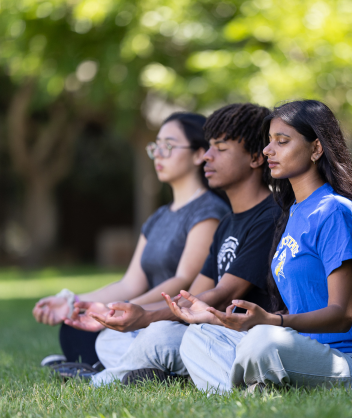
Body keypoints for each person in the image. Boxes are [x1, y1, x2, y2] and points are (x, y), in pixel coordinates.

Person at [176, 100, 352, 394]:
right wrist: (221, 318)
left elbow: (342, 313)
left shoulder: (333, 211)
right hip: (307, 350)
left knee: (263, 341)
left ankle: (245, 387)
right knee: (200, 336)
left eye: (281, 142)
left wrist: (273, 322)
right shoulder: (293, 213)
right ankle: (253, 390)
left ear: (316, 149)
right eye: (269, 142)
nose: (268, 150)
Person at [78, 102, 283, 386]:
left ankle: (102, 379)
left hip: (236, 337)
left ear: (255, 158)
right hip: (206, 331)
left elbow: (224, 294)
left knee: (158, 335)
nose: (207, 157)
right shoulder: (228, 223)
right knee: (116, 338)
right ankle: (165, 374)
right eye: (208, 147)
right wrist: (141, 315)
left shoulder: (270, 216)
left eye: (220, 149)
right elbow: (194, 294)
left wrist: (146, 317)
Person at [32, 112, 229, 371]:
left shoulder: (208, 212)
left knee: (130, 336)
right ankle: (106, 364)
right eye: (155, 146)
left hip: (170, 321)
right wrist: (74, 302)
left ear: (198, 154)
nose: (158, 153)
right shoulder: (159, 217)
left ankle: (107, 367)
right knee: (77, 327)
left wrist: (128, 311)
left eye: (168, 145)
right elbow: (130, 282)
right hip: (143, 317)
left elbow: (183, 281)